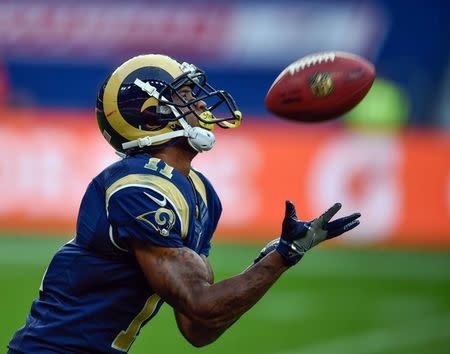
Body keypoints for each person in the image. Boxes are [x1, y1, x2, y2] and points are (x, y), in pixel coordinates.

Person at [8, 54, 361, 353]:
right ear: (150, 116)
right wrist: (282, 257)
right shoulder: (137, 187)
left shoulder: (201, 193)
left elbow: (198, 329)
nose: (203, 104)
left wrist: (276, 257)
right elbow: (200, 306)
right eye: (186, 95)